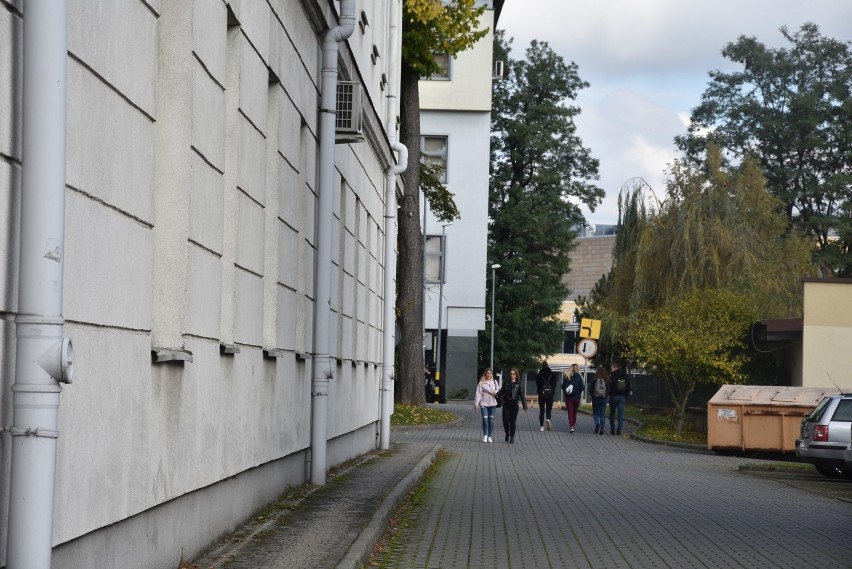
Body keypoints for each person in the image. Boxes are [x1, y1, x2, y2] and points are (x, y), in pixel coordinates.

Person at [499, 367, 527, 443]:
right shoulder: (506, 382)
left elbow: (522, 395)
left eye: (514, 374)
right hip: (506, 404)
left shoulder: (519, 384)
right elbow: (501, 390)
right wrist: (496, 395)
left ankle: (512, 437)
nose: (512, 375)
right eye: (511, 374)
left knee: (512, 421)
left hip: (514, 404)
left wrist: (525, 406)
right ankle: (507, 433)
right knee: (505, 420)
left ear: (516, 375)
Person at [473, 368, 499, 443]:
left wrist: (495, 392)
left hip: (493, 403)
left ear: (492, 374)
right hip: (484, 403)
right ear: (485, 374)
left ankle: (489, 436)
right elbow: (478, 393)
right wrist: (476, 403)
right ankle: (485, 435)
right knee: (485, 419)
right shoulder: (481, 383)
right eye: (487, 373)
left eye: (490, 373)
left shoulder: (494, 382)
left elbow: (499, 390)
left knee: (491, 420)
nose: (489, 375)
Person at [608, 360, 632, 435]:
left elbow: (609, 386)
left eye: (611, 368)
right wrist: (625, 394)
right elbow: (628, 386)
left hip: (613, 397)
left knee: (612, 414)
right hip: (622, 397)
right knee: (620, 414)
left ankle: (612, 430)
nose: (611, 369)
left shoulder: (612, 376)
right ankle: (619, 430)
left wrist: (610, 394)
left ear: (614, 367)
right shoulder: (624, 375)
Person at [562, 363, 585, 433]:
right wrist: (578, 391)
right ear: (577, 369)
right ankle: (573, 425)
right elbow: (582, 387)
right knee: (574, 412)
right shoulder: (579, 378)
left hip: (568, 398)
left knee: (570, 412)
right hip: (576, 398)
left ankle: (571, 426)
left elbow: (563, 386)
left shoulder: (567, 377)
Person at [535, 360, 556, 432]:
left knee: (541, 410)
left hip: (541, 394)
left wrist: (540, 391)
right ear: (547, 365)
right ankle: (548, 419)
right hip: (550, 394)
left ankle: (541, 427)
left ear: (542, 366)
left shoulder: (539, 375)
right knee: (549, 409)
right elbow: (554, 384)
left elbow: (537, 385)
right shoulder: (552, 374)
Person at [591, 366, 609, 434]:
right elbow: (608, 389)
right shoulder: (606, 380)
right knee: (602, 414)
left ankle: (597, 423)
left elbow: (591, 388)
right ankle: (602, 429)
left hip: (595, 398)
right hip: (603, 399)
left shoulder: (594, 379)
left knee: (596, 413)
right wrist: (606, 396)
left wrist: (593, 395)